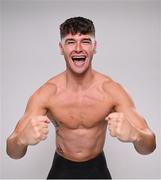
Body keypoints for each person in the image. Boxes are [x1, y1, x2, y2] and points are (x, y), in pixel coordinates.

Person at [6, 17, 156, 179]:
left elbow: (149, 146)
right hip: (62, 168)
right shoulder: (47, 93)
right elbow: (12, 152)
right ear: (61, 48)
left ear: (94, 47)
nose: (78, 48)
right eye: (70, 42)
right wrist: (22, 139)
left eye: (85, 41)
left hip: (97, 167)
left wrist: (136, 135)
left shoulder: (112, 91)